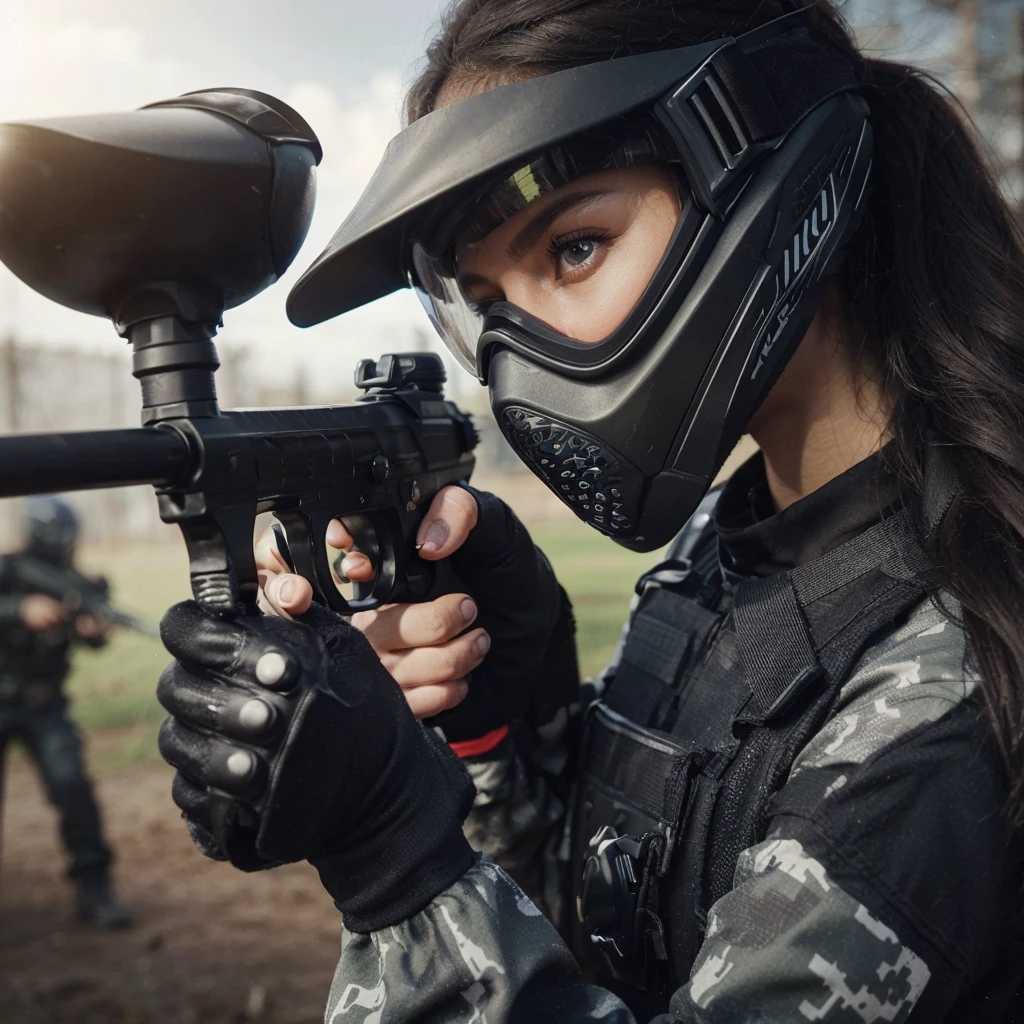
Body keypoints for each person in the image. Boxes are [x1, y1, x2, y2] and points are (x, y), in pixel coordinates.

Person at [155, 0, 1024, 1019]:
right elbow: (619, 925)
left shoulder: (959, 661)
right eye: (487, 306)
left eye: (571, 249)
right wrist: (511, 727)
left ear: (766, 167)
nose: (519, 360)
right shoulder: (731, 541)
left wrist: (395, 860)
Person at [0, 497, 132, 928]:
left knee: (72, 786)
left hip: (44, 704)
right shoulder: (8, 570)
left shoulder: (74, 584)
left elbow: (91, 638)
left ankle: (94, 887)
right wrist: (19, 610)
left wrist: (92, 630)